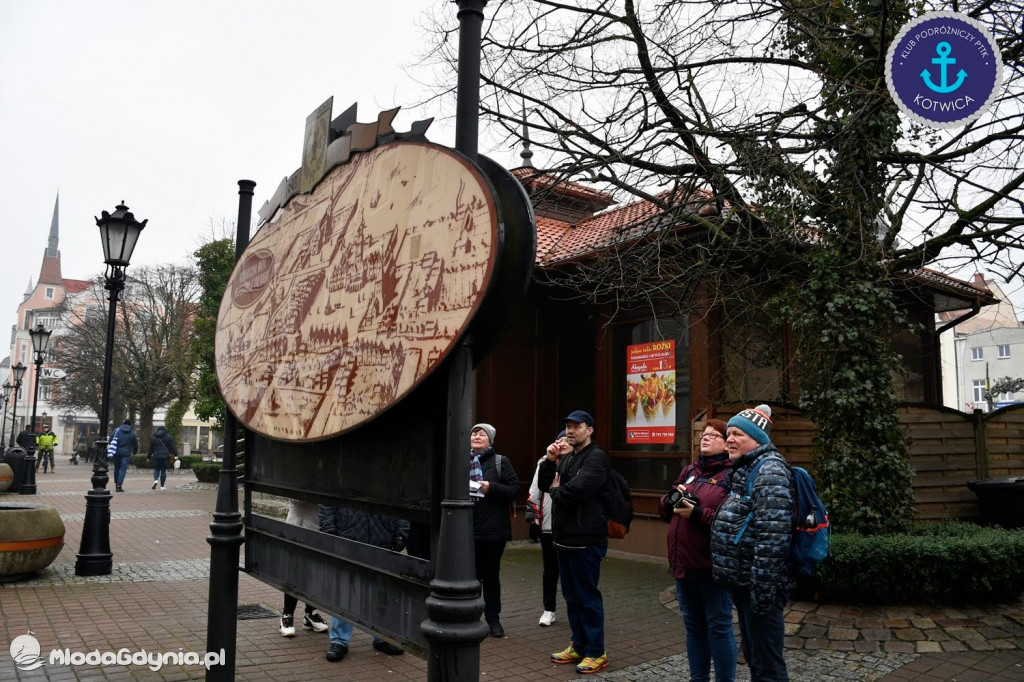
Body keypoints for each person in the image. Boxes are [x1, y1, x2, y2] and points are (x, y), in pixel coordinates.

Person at [711, 405, 794, 682]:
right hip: (747, 585)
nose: (729, 439)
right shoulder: (747, 468)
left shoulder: (769, 472)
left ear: (757, 439)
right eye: (729, 433)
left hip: (760, 589)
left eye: (738, 434)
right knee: (756, 659)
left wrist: (762, 595)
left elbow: (772, 541)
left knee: (768, 666)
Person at [659, 418, 736, 682]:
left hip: (712, 567)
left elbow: (731, 521)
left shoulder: (732, 475)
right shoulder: (690, 470)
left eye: (714, 435)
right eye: (704, 434)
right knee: (693, 627)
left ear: (727, 443)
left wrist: (698, 512)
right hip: (683, 564)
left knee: (719, 628)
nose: (706, 437)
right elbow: (665, 509)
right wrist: (671, 499)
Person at [538, 410, 611, 675]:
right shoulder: (567, 458)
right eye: (568, 426)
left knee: (587, 597)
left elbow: (574, 492)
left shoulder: (596, 458)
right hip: (564, 539)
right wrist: (549, 460)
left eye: (576, 426)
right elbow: (547, 485)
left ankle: (596, 652)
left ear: (590, 430)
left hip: (586, 540)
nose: (570, 430)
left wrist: (558, 491)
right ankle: (578, 645)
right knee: (571, 596)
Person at [318, 504, 408, 662]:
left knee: (382, 592)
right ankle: (339, 640)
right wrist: (328, 529)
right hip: (348, 535)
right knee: (345, 590)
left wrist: (401, 531)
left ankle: (383, 636)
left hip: (382, 534)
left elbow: (401, 498)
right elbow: (327, 498)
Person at [469, 422, 520, 638]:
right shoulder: (461, 461)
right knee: (470, 578)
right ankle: (471, 617)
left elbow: (514, 490)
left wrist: (491, 488)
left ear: (490, 440)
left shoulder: (501, 462)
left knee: (490, 576)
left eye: (482, 434)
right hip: (466, 530)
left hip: (492, 531)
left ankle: (493, 619)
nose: (477, 436)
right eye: (474, 433)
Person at [528, 429, 568, 627]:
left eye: (566, 440)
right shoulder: (545, 461)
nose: (562, 443)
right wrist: (533, 518)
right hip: (548, 523)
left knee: (571, 571)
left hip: (571, 526)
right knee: (550, 570)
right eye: (560, 439)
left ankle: (575, 610)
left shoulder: (581, 461)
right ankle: (549, 610)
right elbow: (536, 488)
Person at [278, 499, 330, 636]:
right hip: (298, 523)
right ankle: (287, 615)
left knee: (316, 572)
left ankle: (310, 614)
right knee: (294, 572)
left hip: (319, 523)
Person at [111, 419, 139, 493]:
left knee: (116, 468)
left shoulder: (116, 431)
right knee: (123, 470)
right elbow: (135, 444)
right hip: (126, 454)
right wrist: (135, 452)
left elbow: (111, 440)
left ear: (122, 424)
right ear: (130, 425)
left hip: (116, 453)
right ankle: (119, 485)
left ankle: (116, 483)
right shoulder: (132, 433)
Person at [148, 425, 178, 490]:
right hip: (165, 456)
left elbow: (150, 449)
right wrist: (176, 455)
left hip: (156, 456)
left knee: (156, 469)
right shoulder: (169, 437)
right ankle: (162, 486)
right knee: (163, 471)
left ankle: (155, 480)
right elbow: (173, 447)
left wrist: (148, 457)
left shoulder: (154, 438)